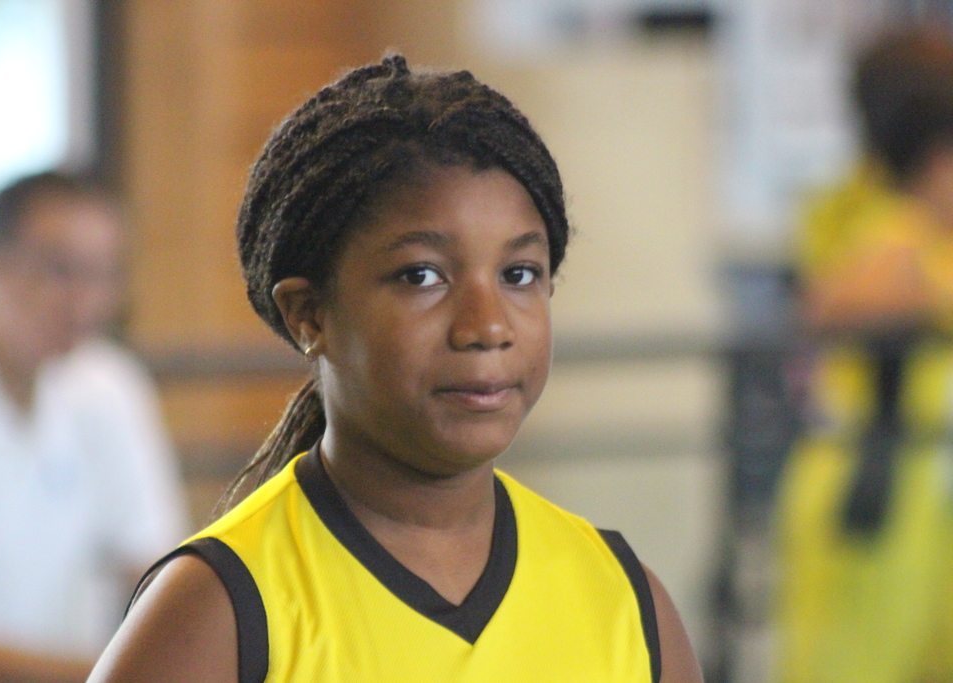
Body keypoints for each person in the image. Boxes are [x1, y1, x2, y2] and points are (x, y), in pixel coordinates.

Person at [86, 55, 704, 683]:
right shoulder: (219, 611)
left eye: (518, 275)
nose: (487, 326)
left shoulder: (627, 604)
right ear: (309, 316)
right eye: (421, 276)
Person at [0, 171, 188, 682]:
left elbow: (162, 586)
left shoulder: (110, 387)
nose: (86, 301)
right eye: (60, 270)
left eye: (105, 274)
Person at [775, 27, 953, 682]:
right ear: (935, 154)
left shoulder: (869, 219)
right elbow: (831, 302)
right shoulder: (890, 237)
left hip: (908, 506)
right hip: (872, 508)